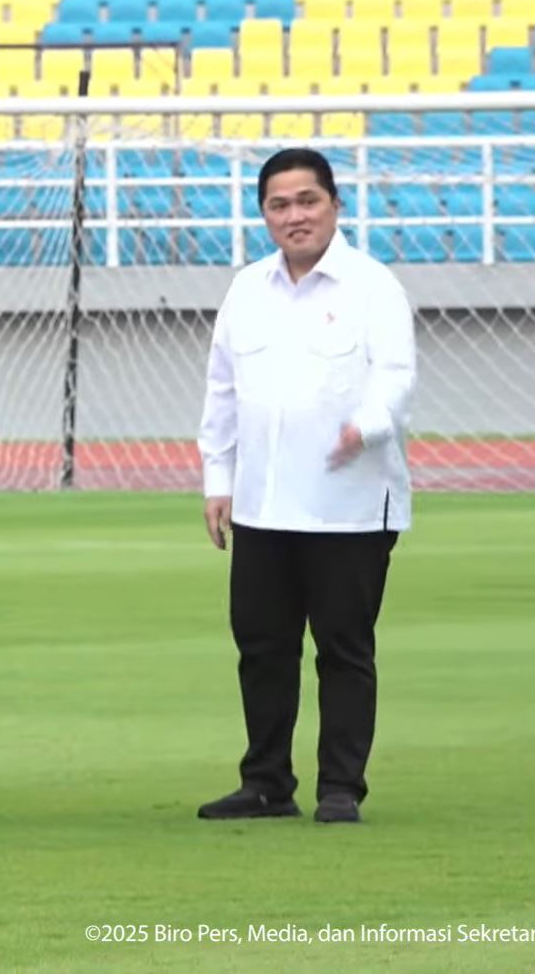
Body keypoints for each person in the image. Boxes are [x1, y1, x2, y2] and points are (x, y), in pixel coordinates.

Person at [194, 147, 416, 826]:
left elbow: (397, 376)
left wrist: (366, 427)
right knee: (262, 648)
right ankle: (265, 782)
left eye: (308, 200)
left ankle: (340, 786)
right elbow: (222, 392)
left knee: (344, 649)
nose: (295, 216)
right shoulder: (245, 289)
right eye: (280, 204)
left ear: (335, 205)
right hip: (262, 506)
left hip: (350, 508)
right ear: (264, 213)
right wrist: (218, 479)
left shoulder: (371, 286)